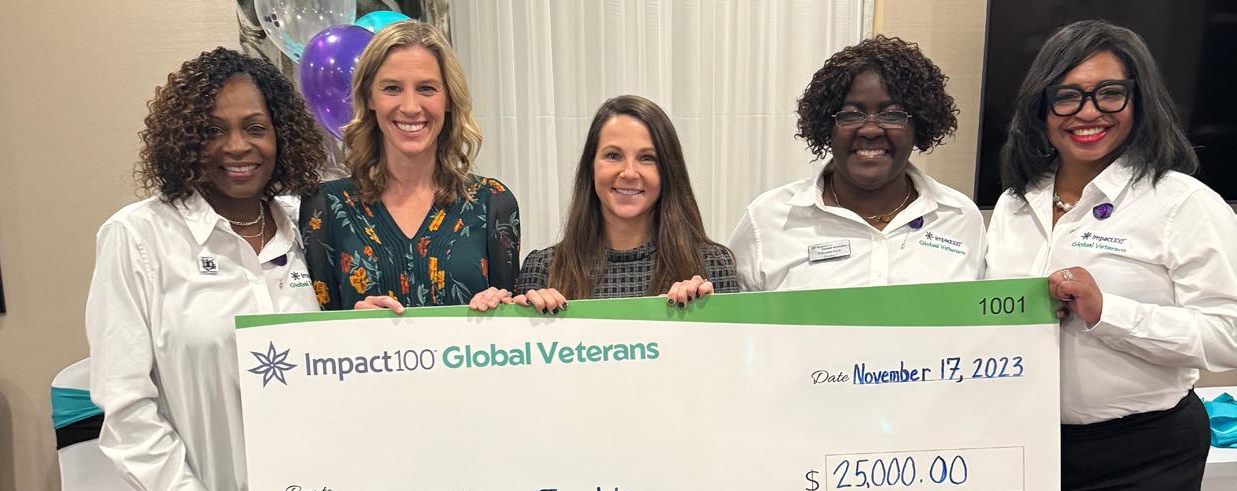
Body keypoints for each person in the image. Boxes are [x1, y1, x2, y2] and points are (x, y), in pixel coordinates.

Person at [988, 20, 1237, 491]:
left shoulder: (1183, 205)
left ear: (1139, 99)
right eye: (1066, 95)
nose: (1087, 112)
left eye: (1109, 93)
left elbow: (1228, 333)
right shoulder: (1015, 205)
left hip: (1137, 461)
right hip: (1025, 459)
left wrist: (1110, 314)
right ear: (1041, 107)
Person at [85, 48, 327, 491]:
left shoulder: (312, 228)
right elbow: (123, 403)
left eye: (255, 127)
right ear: (186, 137)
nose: (237, 146)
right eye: (215, 129)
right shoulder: (138, 237)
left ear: (281, 134)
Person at [728, 36, 983, 292]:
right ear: (827, 127)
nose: (870, 130)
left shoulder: (960, 218)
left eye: (891, 115)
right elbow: (730, 314)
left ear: (920, 125)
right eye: (850, 115)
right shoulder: (768, 219)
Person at [301, 20, 520, 314]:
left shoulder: (491, 202)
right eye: (392, 88)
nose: (410, 107)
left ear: (449, 98)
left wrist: (503, 305)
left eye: (426, 89)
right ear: (369, 97)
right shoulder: (325, 206)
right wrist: (350, 326)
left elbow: (510, 328)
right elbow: (313, 330)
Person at [496, 95, 737, 314]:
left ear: (668, 171)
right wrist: (493, 317)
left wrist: (704, 315)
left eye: (647, 158)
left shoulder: (712, 265)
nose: (629, 172)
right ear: (591, 166)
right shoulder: (542, 269)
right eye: (613, 155)